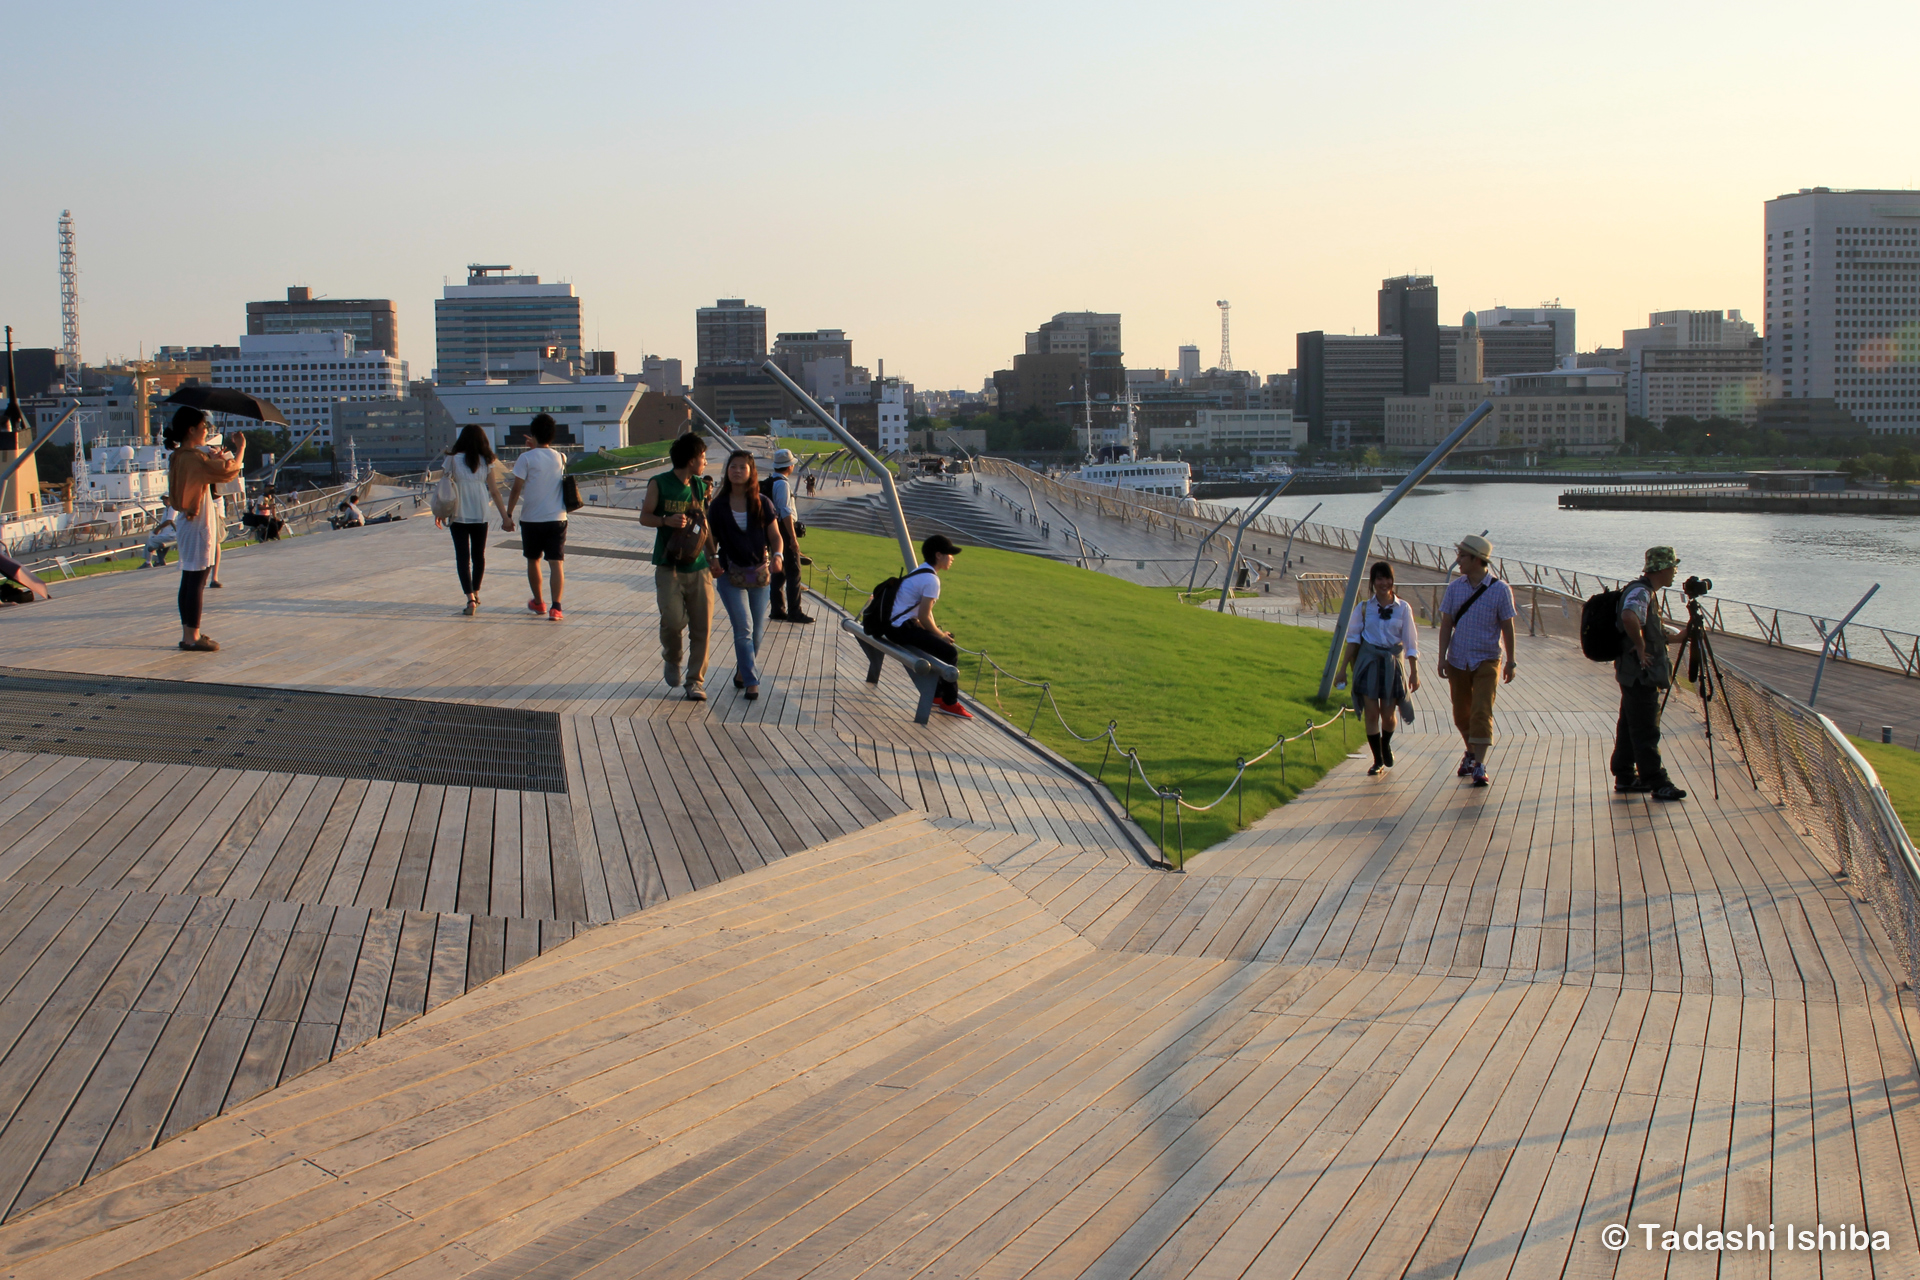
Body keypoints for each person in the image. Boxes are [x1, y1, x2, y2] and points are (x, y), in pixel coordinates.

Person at [1434, 533, 1517, 787]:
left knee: (1481, 711)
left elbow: (1507, 627)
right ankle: (1470, 752)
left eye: (1462, 556)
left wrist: (1511, 661)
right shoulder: (1455, 588)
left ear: (1477, 560)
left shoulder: (1500, 590)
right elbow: (1446, 624)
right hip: (1458, 659)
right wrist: (1442, 658)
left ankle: (1479, 764)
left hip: (1488, 659)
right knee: (1461, 714)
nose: (1458, 561)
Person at [641, 432, 715, 701]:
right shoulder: (658, 483)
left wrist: (713, 556)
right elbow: (644, 517)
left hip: (698, 567)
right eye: (703, 458)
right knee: (673, 621)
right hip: (668, 564)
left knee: (702, 627)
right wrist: (664, 521)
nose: (705, 462)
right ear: (691, 459)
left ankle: (695, 681)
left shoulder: (699, 486)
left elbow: (704, 526)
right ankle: (672, 657)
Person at [163, 407, 244, 652]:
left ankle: (189, 632)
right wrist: (240, 449)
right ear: (192, 429)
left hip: (188, 521)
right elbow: (229, 471)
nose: (206, 430)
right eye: (203, 427)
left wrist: (212, 456)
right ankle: (192, 637)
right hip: (199, 521)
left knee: (189, 579)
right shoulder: (193, 458)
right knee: (197, 580)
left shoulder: (180, 455)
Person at [707, 450, 786, 700]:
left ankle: (742, 672)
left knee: (758, 632)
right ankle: (752, 681)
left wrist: (777, 556)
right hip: (730, 575)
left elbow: (775, 536)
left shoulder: (762, 502)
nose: (737, 471)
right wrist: (712, 559)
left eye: (742, 467)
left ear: (751, 472)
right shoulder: (718, 505)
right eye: (733, 467)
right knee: (744, 628)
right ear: (727, 471)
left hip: (759, 575)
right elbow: (712, 539)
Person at [1613, 547, 1688, 801]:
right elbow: (1629, 616)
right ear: (1663, 569)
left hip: (1631, 673)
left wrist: (1677, 638)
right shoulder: (1642, 592)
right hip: (1641, 674)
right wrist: (1641, 646)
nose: (1675, 573)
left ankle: (1625, 775)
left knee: (1629, 724)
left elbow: (1647, 626)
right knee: (1646, 729)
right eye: (1673, 568)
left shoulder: (1643, 590)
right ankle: (1657, 781)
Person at [1333, 562, 1421, 776]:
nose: (1383, 583)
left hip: (1392, 664)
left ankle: (1385, 743)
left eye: (1387, 578)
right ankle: (1377, 760)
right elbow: (1353, 639)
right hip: (1369, 662)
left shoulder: (1403, 608)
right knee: (1372, 714)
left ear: (1392, 581)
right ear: (1372, 582)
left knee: (1388, 714)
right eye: (1379, 579)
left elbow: (1410, 642)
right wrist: (1343, 668)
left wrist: (1414, 671)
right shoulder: (1364, 608)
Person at [890, 533, 971, 719]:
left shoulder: (920, 571)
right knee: (950, 653)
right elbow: (924, 616)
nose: (952, 559)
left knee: (937, 644)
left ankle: (937, 695)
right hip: (901, 629)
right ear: (938, 555)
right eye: (949, 554)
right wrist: (940, 635)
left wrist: (937, 634)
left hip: (895, 626)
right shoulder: (931, 580)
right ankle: (949, 703)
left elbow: (917, 615)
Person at [436, 424, 512, 616]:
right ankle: (476, 593)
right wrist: (505, 518)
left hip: (457, 513)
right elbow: (494, 492)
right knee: (479, 556)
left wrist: (440, 512)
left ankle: (469, 598)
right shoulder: (487, 460)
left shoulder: (452, 459)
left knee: (462, 558)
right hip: (480, 513)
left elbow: (445, 488)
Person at [504, 413, 568, 620]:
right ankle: (556, 607)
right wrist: (537, 446)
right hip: (557, 518)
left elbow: (516, 489)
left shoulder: (525, 458)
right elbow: (546, 461)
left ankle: (539, 602)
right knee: (556, 562)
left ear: (533, 435)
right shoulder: (561, 457)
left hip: (532, 519)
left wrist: (508, 513)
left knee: (534, 560)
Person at [765, 448, 812, 623]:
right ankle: (795, 611)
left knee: (779, 572)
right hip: (784, 530)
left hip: (773, 530)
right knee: (794, 571)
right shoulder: (782, 484)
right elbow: (785, 512)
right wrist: (792, 538)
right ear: (789, 466)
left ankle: (777, 609)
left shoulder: (771, 481)